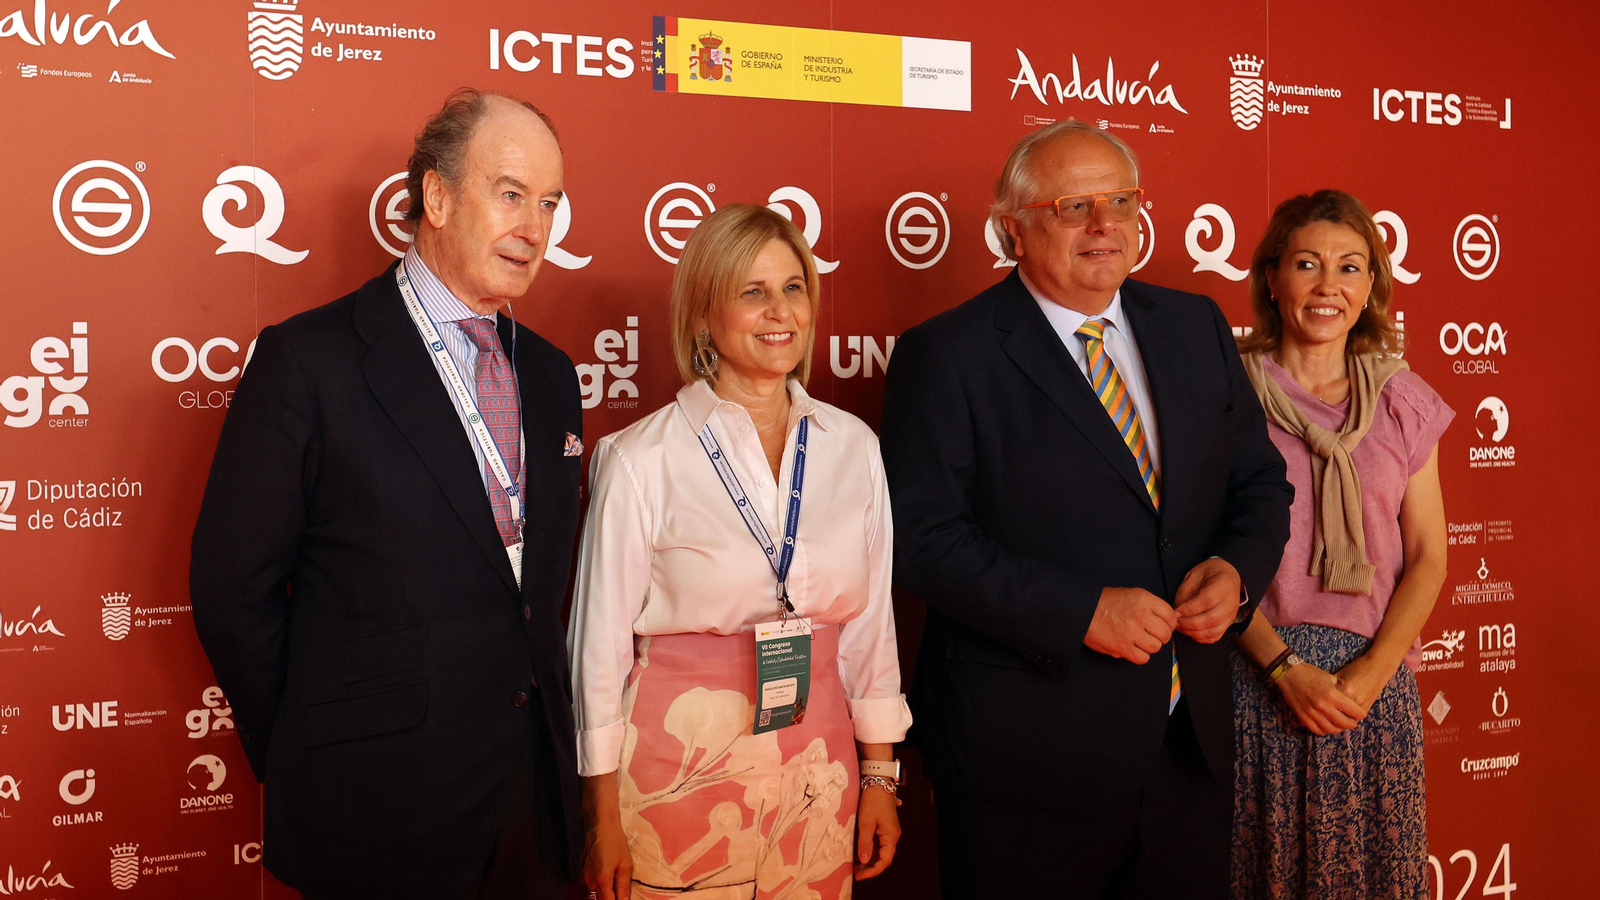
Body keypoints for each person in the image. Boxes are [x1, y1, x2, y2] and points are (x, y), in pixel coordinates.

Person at [879, 120, 1294, 900]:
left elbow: (1262, 486)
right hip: (1027, 762)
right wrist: (1079, 612)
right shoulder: (949, 353)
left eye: (1122, 201)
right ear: (1014, 229)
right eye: (1075, 207)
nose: (1106, 226)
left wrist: (1237, 573)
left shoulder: (1194, 325)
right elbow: (921, 538)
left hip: (1186, 748)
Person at [190, 89, 584, 899]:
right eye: (511, 194)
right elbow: (232, 591)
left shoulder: (551, 375)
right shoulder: (309, 362)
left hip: (530, 800)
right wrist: (308, 744)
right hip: (373, 806)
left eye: (549, 203)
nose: (535, 227)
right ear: (436, 197)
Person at [568, 204, 911, 900]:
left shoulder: (853, 448)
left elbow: (871, 631)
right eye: (751, 292)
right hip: (676, 776)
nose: (779, 310)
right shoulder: (640, 459)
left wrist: (880, 776)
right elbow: (596, 649)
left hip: (820, 772)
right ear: (703, 316)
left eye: (793, 287)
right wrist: (600, 811)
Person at [1230, 190, 1450, 900]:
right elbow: (1203, 555)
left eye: (1350, 267)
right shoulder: (1225, 394)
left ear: (1371, 288)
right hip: (1258, 682)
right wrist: (1283, 669)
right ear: (1272, 278)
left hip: (1372, 694)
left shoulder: (1404, 400)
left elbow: (1428, 555)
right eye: (1307, 264)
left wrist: (1370, 677)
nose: (1330, 285)